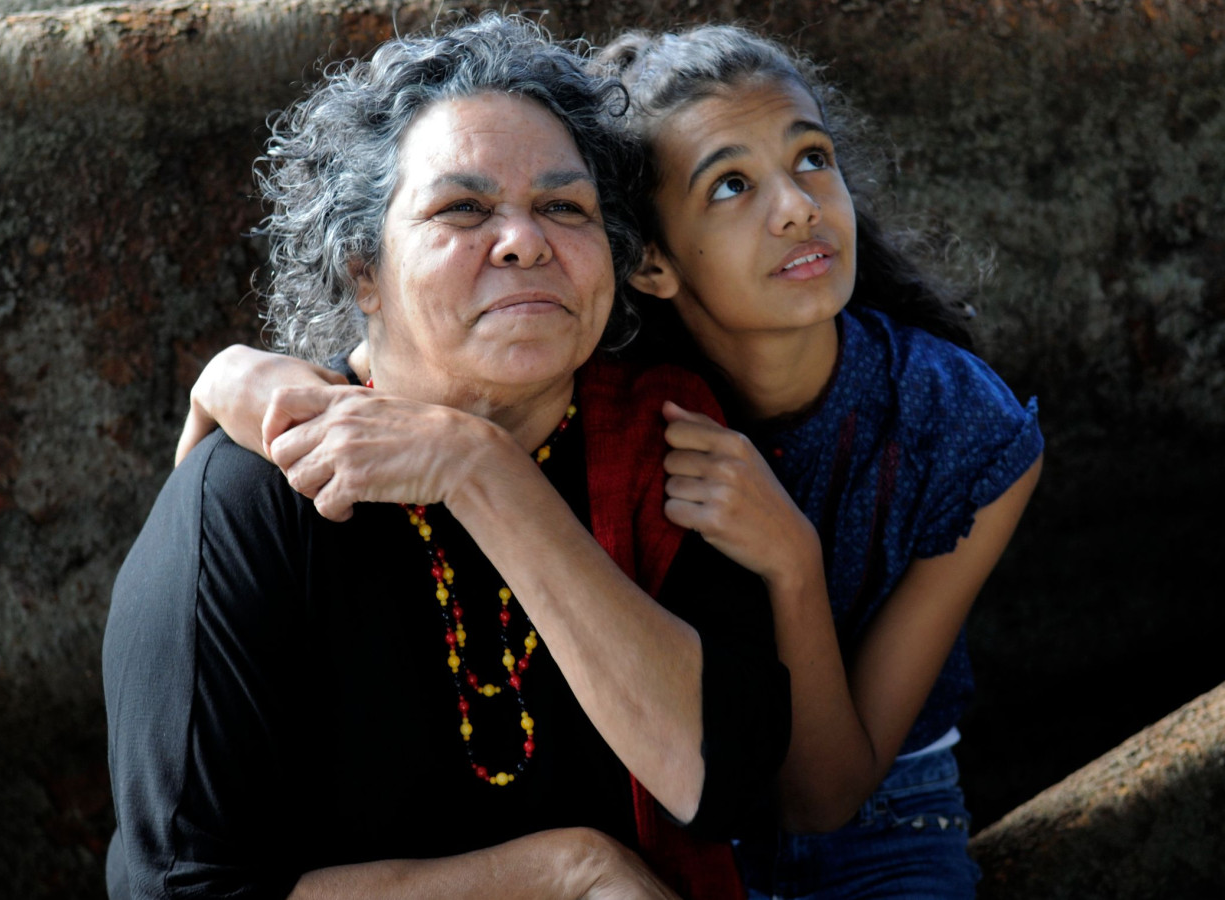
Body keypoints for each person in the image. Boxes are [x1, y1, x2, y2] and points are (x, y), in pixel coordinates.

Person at [180, 23, 1044, 900]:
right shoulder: (602, 371)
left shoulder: (953, 427)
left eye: (814, 158)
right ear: (652, 265)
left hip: (879, 817)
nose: (795, 207)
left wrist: (791, 562)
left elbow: (819, 796)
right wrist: (231, 375)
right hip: (665, 835)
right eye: (732, 185)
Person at [103, 16, 789, 900]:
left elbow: (724, 784)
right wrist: (561, 874)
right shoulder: (252, 503)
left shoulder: (669, 451)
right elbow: (181, 891)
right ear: (361, 270)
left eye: (565, 207)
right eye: (463, 209)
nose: (524, 240)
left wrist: (483, 472)